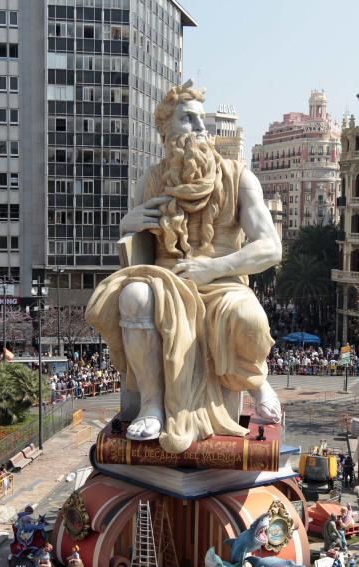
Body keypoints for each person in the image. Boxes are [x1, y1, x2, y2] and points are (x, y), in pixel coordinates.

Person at [84, 81, 283, 452]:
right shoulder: (151, 181)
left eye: (201, 120)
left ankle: (257, 382)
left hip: (223, 280)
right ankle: (152, 404)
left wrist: (212, 268)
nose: (201, 129)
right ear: (166, 130)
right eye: (188, 120)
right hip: (165, 277)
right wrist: (128, 225)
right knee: (134, 296)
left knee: (249, 316)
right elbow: (138, 248)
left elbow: (270, 247)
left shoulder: (238, 176)